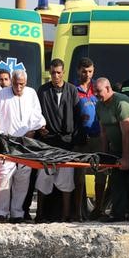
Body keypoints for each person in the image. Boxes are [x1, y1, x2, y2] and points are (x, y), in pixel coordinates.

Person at [0, 70, 46, 222]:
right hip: (6, 142)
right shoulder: (2, 95)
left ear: (26, 83)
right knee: (3, 177)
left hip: (25, 143)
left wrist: (32, 131)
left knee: (23, 179)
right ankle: (1, 212)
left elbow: (37, 116)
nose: (18, 87)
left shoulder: (31, 94)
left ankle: (17, 213)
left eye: (21, 84)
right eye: (15, 84)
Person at [95, 77, 129, 222]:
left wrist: (126, 158)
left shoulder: (121, 102)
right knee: (116, 179)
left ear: (108, 89)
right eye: (95, 92)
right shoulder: (99, 105)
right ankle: (119, 213)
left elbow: (127, 132)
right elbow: (104, 132)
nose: (96, 94)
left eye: (99, 91)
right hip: (117, 147)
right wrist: (104, 157)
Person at [35, 59, 80, 222]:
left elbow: (77, 115)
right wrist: (40, 128)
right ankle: (39, 214)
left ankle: (66, 215)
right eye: (53, 72)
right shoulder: (43, 91)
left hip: (66, 142)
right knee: (43, 177)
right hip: (47, 141)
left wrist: (75, 139)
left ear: (63, 72)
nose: (55, 75)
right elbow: (36, 113)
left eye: (58, 72)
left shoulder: (72, 90)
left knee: (66, 179)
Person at [73, 57, 106, 221]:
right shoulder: (73, 90)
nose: (87, 74)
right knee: (79, 175)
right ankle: (79, 211)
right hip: (81, 138)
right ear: (78, 71)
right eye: (84, 71)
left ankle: (98, 209)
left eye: (90, 71)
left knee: (101, 172)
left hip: (99, 137)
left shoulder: (98, 88)